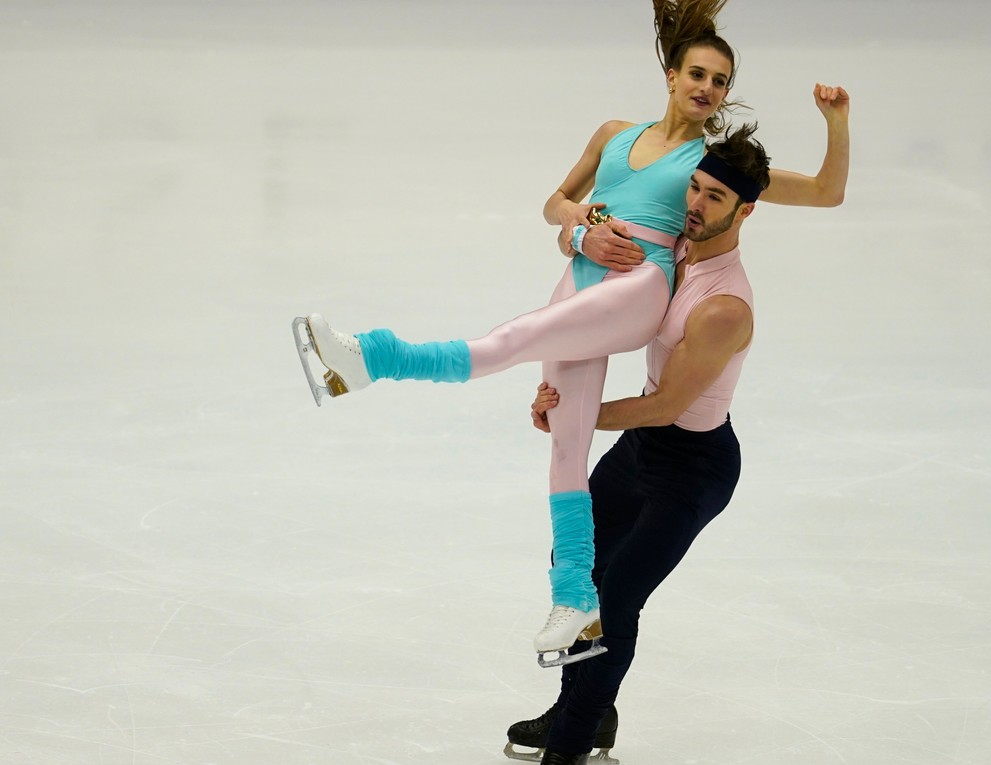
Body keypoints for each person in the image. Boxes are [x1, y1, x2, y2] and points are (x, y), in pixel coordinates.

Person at [291, 0, 850, 667]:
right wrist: (580, 229)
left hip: (638, 288)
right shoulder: (614, 133)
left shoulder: (713, 162)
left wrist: (836, 123)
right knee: (566, 439)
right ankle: (574, 603)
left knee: (509, 341)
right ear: (671, 75)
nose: (707, 88)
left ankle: (367, 358)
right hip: (583, 278)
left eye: (720, 81)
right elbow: (555, 204)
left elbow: (824, 192)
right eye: (697, 73)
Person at [505, 123, 787, 765]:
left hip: (693, 469)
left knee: (617, 601)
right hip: (641, 449)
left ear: (746, 211)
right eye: (694, 187)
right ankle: (584, 712)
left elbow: (666, 404)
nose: (694, 204)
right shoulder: (677, 252)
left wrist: (579, 417)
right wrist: (578, 232)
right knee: (578, 571)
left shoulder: (724, 307)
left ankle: (572, 747)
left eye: (715, 198)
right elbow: (573, 247)